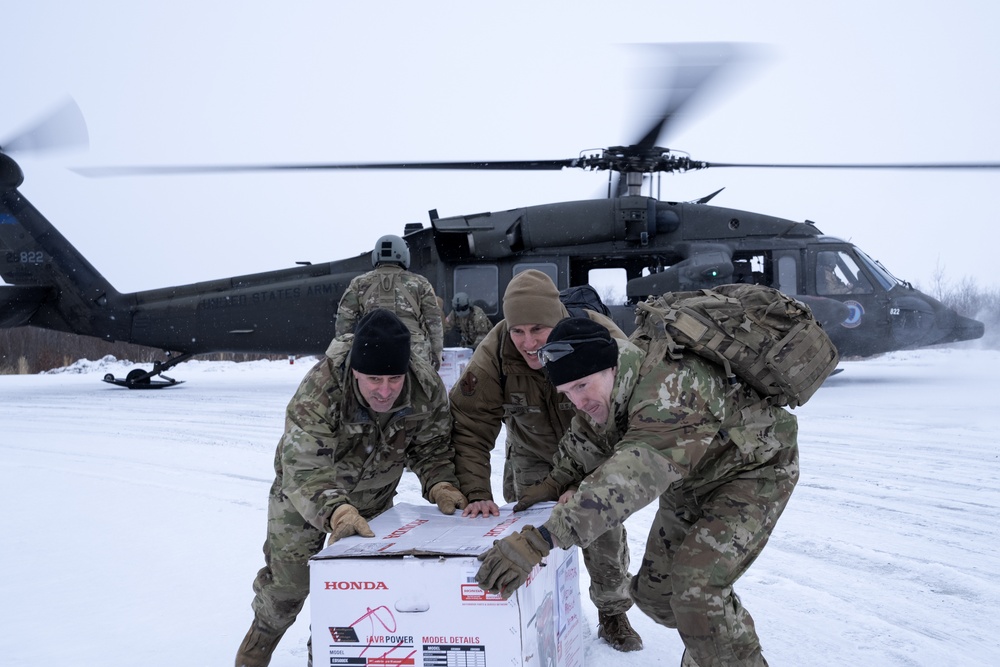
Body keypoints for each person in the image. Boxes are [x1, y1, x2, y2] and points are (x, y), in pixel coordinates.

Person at [475, 317, 799, 667]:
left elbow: (631, 475)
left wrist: (540, 540)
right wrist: (554, 484)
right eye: (567, 392)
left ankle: (721, 650)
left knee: (696, 590)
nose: (579, 401)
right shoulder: (615, 383)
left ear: (611, 367)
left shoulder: (672, 386)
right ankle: (710, 637)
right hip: (692, 478)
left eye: (582, 386)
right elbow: (587, 439)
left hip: (751, 471)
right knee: (656, 596)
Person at [236, 309, 468, 667]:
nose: (385, 391)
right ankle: (258, 646)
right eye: (374, 379)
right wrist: (337, 511)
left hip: (374, 498)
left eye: (394, 379)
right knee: (289, 586)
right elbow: (305, 465)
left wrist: (440, 483)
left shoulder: (425, 387)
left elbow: (431, 446)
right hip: (307, 496)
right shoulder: (321, 389)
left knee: (353, 588)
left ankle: (327, 656)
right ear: (356, 371)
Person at [450, 269, 643, 652]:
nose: (526, 341)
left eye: (537, 329)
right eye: (517, 330)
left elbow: (630, 421)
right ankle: (540, 611)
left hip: (596, 450)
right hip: (532, 451)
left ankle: (612, 611)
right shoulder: (496, 350)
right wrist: (474, 491)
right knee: (533, 532)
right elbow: (470, 425)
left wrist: (579, 484)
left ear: (557, 319)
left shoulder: (598, 337)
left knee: (600, 531)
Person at [336, 234, 444, 370]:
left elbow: (344, 321)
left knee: (372, 388)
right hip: (413, 348)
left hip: (371, 344)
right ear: (404, 255)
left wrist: (346, 351)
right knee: (419, 389)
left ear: (376, 255)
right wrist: (436, 354)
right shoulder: (420, 283)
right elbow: (434, 322)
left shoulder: (359, 283)